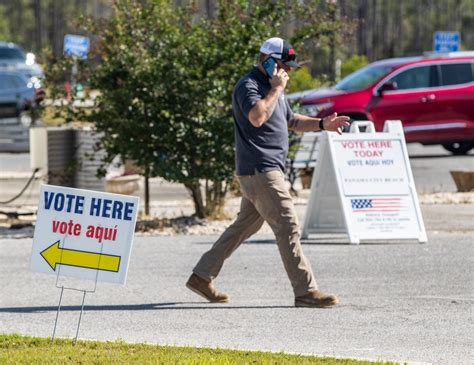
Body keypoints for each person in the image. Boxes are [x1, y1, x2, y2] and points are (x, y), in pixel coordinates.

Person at [186, 37, 350, 308]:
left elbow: (291, 120)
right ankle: (306, 291)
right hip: (261, 169)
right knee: (288, 226)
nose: (290, 71)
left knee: (244, 226)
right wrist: (275, 89)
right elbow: (257, 117)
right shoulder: (249, 86)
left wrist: (322, 124)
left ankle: (201, 276)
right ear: (269, 61)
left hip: (264, 169)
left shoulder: (274, 88)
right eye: (286, 65)